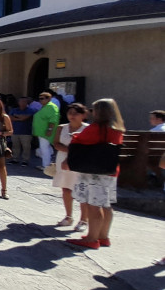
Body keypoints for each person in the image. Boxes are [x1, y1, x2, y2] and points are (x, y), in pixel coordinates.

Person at [65, 98, 125, 250]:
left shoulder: (96, 128)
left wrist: (75, 136)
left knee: (94, 205)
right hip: (110, 170)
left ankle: (92, 238)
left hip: (94, 171)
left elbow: (79, 140)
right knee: (106, 204)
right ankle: (103, 236)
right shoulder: (117, 129)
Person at [51, 103, 89, 231]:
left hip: (81, 162)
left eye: (75, 113)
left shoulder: (88, 129)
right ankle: (68, 216)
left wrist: (74, 152)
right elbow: (56, 143)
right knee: (66, 189)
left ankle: (84, 220)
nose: (72, 116)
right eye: (70, 113)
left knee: (82, 191)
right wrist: (71, 150)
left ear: (83, 115)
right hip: (63, 160)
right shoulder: (62, 128)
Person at [32, 91, 59, 170]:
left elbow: (53, 119)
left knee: (44, 148)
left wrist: (49, 129)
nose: (40, 100)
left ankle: (46, 166)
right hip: (41, 131)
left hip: (46, 132)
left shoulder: (51, 107)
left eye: (42, 98)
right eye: (39, 98)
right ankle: (49, 163)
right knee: (46, 148)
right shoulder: (45, 106)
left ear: (49, 98)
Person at [9, 97, 35, 165]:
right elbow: (10, 117)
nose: (23, 103)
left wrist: (16, 117)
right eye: (21, 101)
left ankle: (25, 160)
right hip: (15, 131)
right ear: (18, 102)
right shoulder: (14, 110)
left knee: (26, 147)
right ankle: (15, 159)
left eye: (25, 102)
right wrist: (20, 118)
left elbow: (25, 118)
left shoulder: (31, 110)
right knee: (15, 146)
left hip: (26, 132)